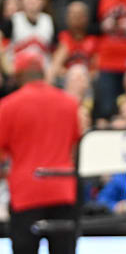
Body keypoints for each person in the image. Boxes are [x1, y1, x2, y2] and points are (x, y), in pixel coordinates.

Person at [0, 49, 81, 254]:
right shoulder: (70, 104)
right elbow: (74, 145)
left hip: (26, 194)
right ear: (44, 73)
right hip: (63, 191)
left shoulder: (8, 106)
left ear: (18, 76)